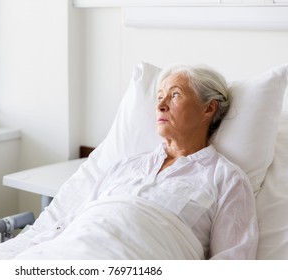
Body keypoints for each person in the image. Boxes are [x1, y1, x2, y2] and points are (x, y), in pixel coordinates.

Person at [89, 64, 259, 259]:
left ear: (209, 108)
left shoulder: (226, 180)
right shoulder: (125, 166)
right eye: (160, 97)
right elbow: (75, 221)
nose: (160, 105)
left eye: (175, 95)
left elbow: (233, 265)